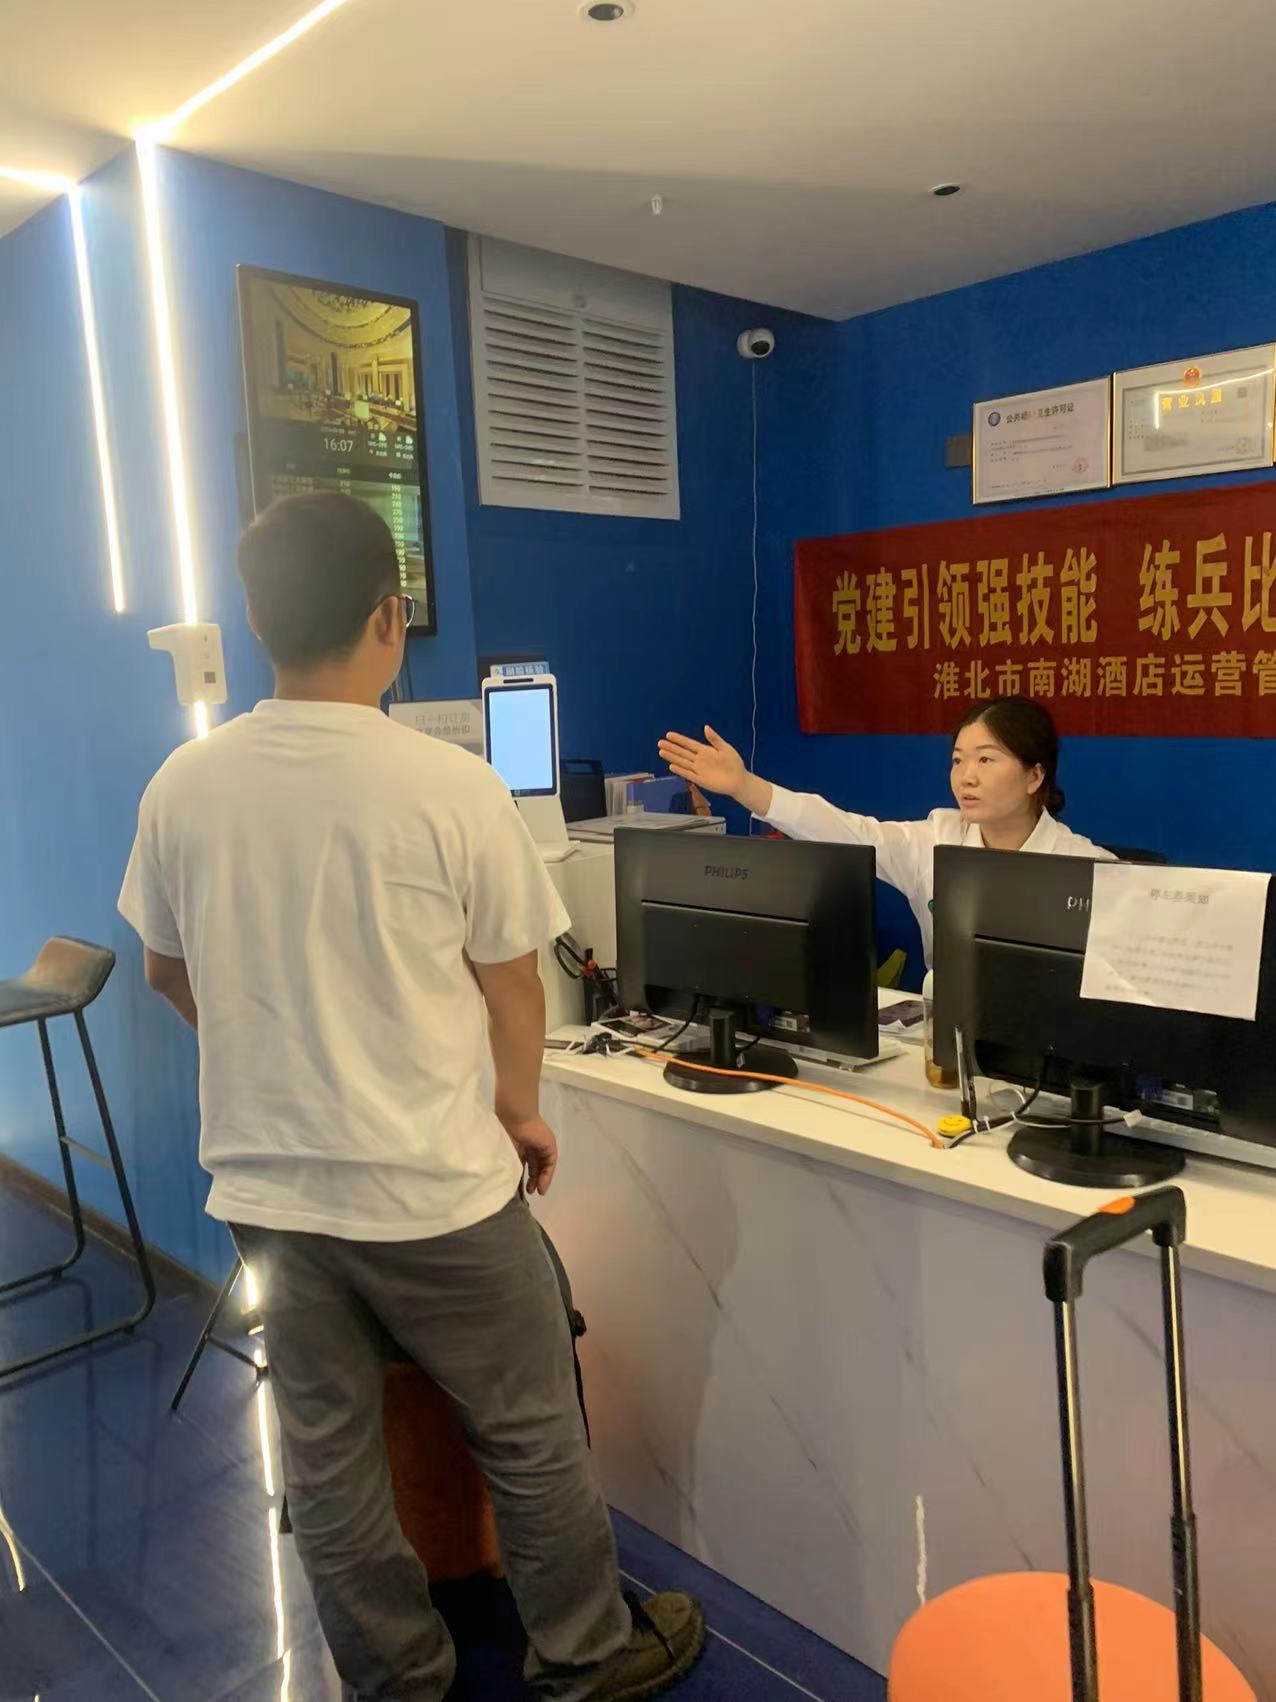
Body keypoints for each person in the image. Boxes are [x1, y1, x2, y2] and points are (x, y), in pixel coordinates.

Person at [119, 492, 704, 1702]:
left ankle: (397, 1679)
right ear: (390, 618)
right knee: (528, 1426)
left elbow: (168, 970)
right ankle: (584, 1653)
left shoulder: (183, 783)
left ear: (256, 620)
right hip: (436, 1186)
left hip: (269, 1192)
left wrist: (268, 1059)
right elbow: (514, 984)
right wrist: (520, 1108)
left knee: (327, 1461)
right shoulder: (451, 785)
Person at [658, 696, 1113, 968]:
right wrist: (744, 786)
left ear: (1034, 776)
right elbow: (847, 831)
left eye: (986, 759)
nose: (966, 777)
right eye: (958, 760)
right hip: (947, 1042)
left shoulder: (1092, 869)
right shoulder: (936, 839)